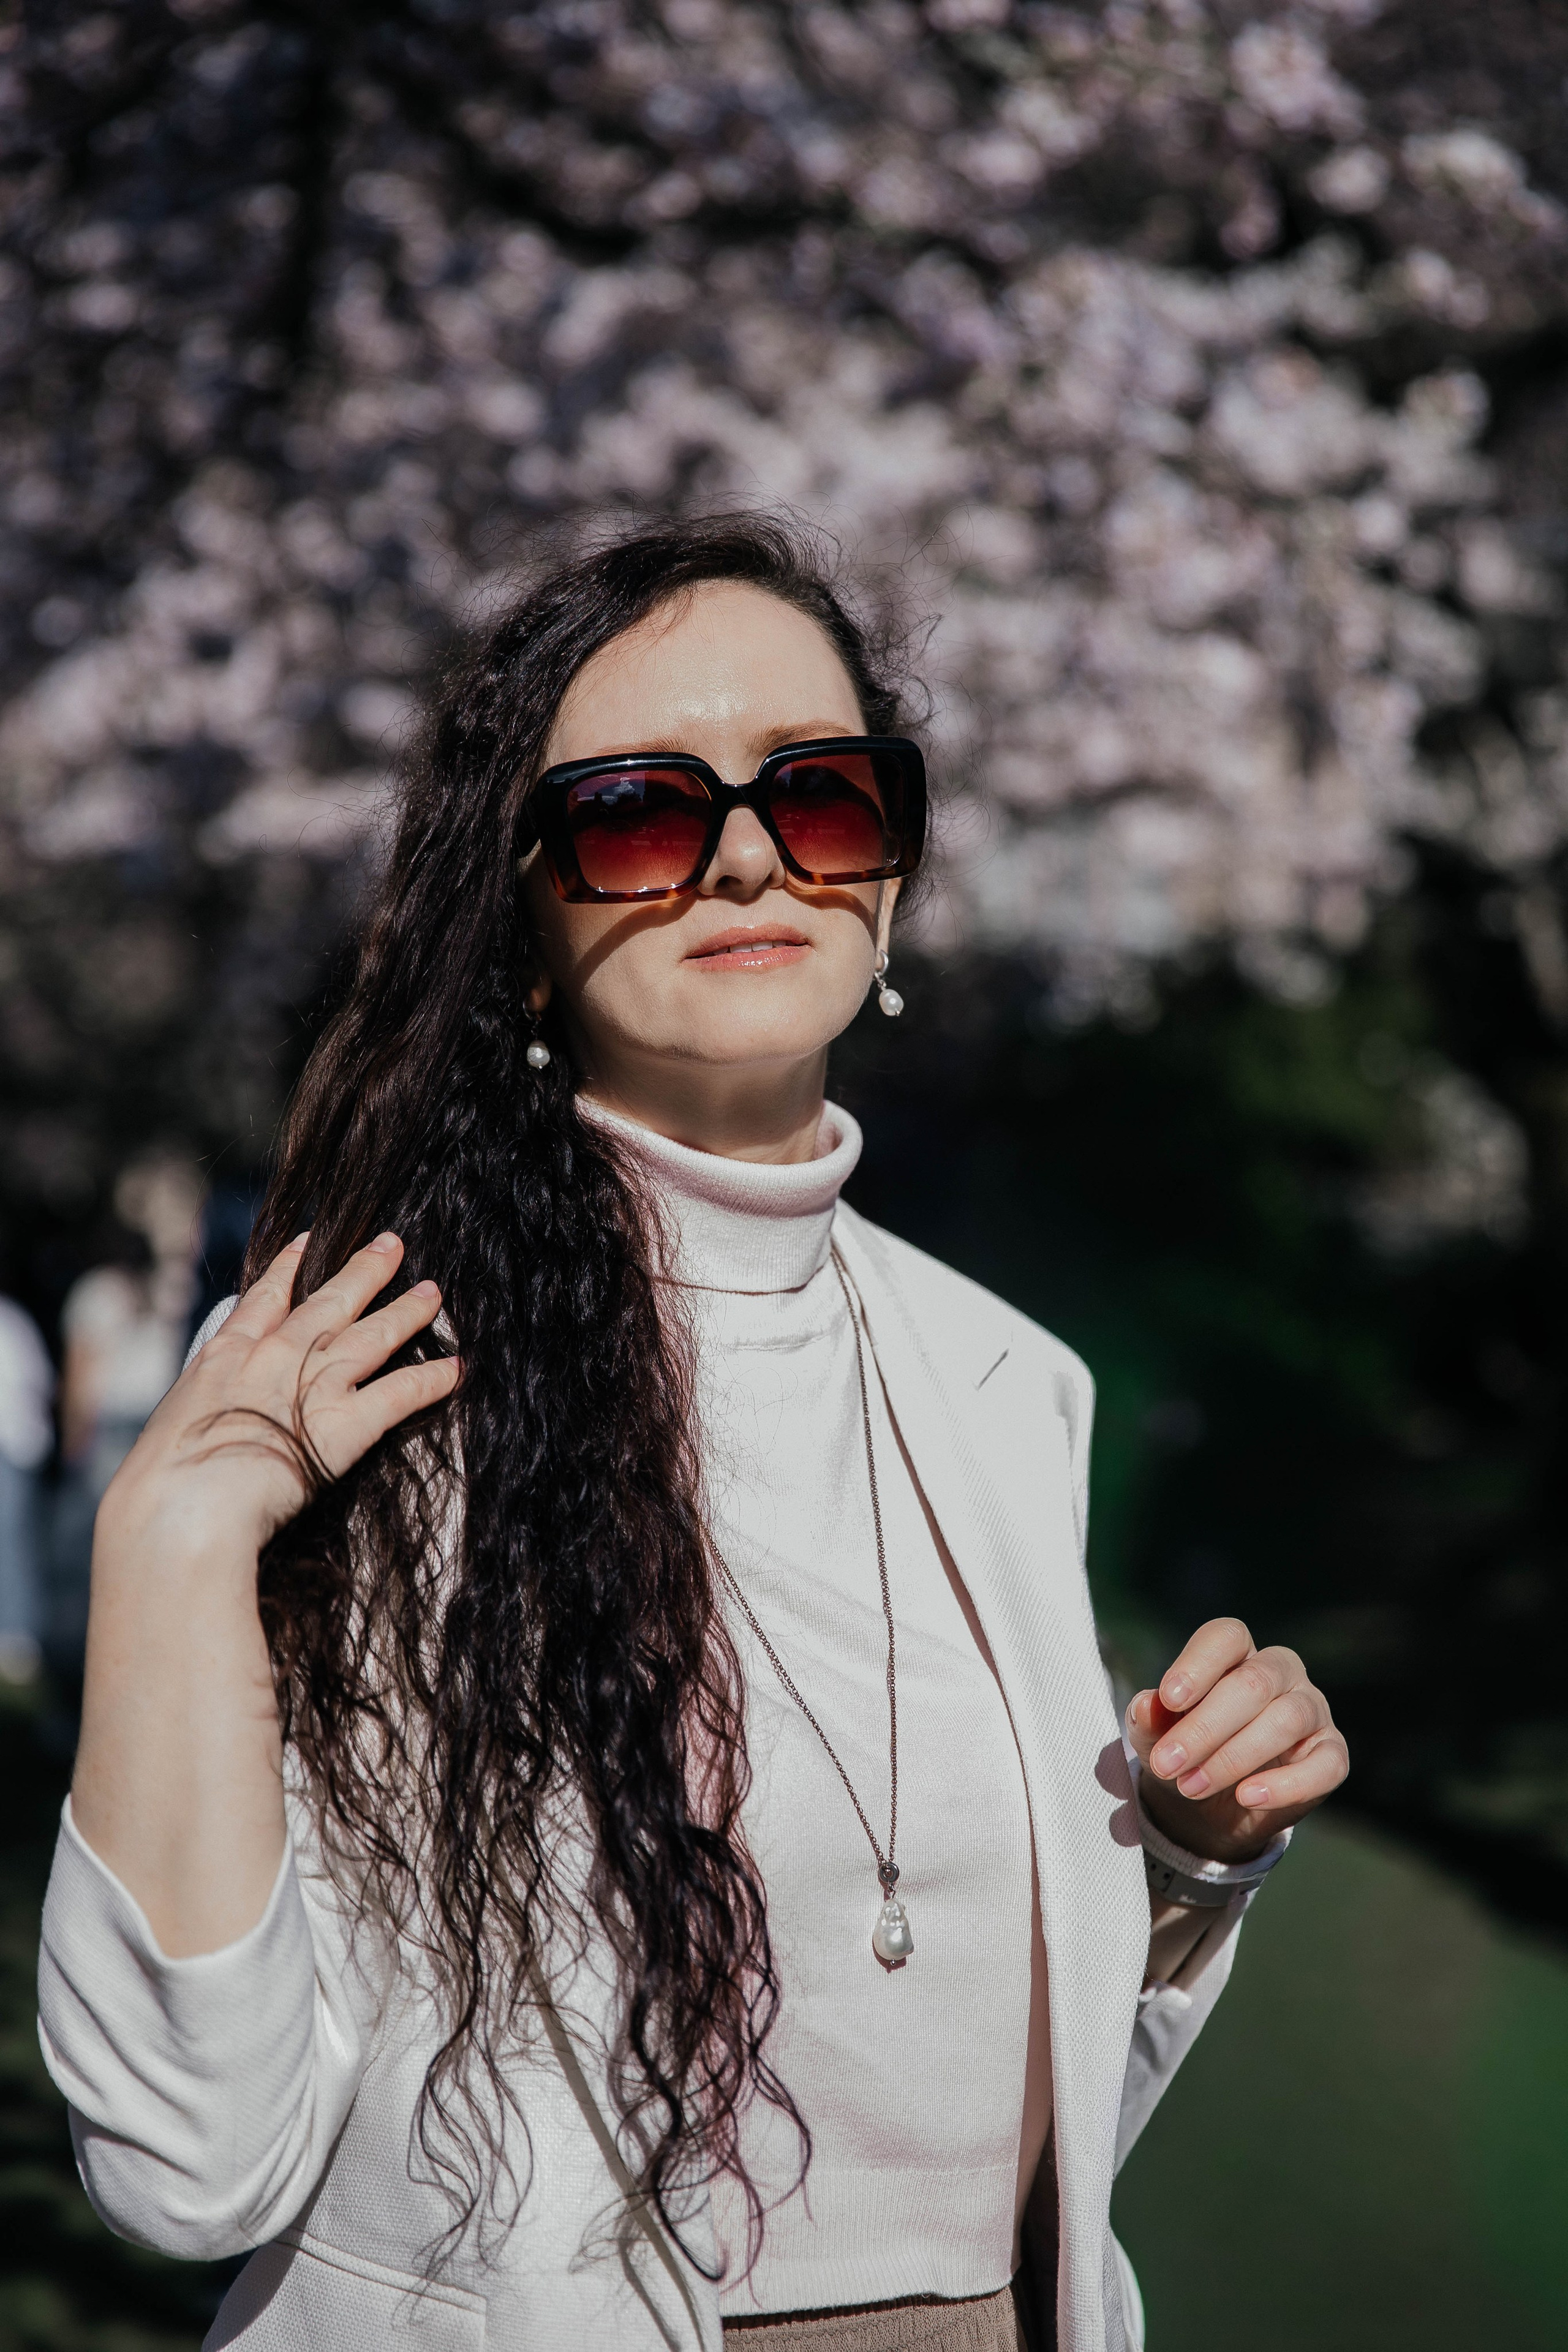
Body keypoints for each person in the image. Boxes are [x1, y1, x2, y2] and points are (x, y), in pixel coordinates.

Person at [38, 518, 1348, 2352]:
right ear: (523, 920)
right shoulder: (385, 1391)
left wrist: (1195, 1860)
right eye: (642, 811)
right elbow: (188, 2163)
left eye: (816, 795)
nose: (747, 852)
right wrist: (173, 1542)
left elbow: (1010, 2141)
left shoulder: (1005, 1385)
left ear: (884, 873)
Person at [48, 1153, 201, 1678]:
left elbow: (79, 1383)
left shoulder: (114, 1292)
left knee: (94, 1554)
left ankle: (92, 1673)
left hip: (126, 1428)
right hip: (139, 1427)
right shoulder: (142, 1293)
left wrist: (73, 1442)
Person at [0, 1289, 54, 1683]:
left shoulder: (11, 1319)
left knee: (12, 1546)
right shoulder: (17, 1318)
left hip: (11, 1448)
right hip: (22, 1446)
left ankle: (19, 1643)